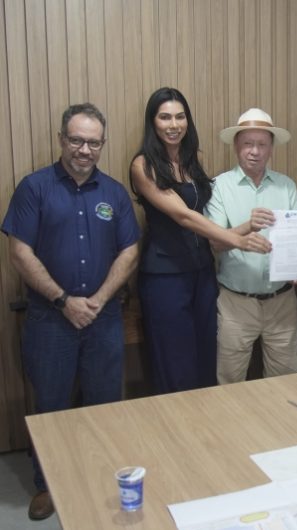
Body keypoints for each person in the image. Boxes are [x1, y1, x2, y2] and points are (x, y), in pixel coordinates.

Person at [1, 103, 140, 520]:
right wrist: (63, 300)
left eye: (93, 142)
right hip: (49, 319)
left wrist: (98, 299)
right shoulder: (34, 188)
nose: (84, 149)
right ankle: (48, 485)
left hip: (104, 317)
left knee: (104, 403)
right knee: (51, 406)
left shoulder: (114, 193)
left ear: (102, 144)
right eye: (77, 140)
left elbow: (130, 251)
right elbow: (19, 252)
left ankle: (100, 477)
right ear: (62, 139)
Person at [130, 87, 269, 395]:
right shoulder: (143, 165)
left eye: (180, 117)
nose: (173, 124)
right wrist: (238, 240)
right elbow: (184, 216)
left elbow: (202, 215)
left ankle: (204, 423)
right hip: (165, 276)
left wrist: (246, 228)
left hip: (203, 272)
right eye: (165, 117)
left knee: (206, 357)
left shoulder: (193, 160)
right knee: (175, 363)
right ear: (152, 122)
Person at [206, 108, 297, 383]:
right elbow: (214, 242)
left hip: (282, 301)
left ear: (271, 148)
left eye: (262, 144)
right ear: (236, 146)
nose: (255, 151)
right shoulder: (219, 186)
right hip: (236, 303)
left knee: (286, 381)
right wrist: (248, 226)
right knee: (230, 380)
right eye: (248, 143)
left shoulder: (286, 186)